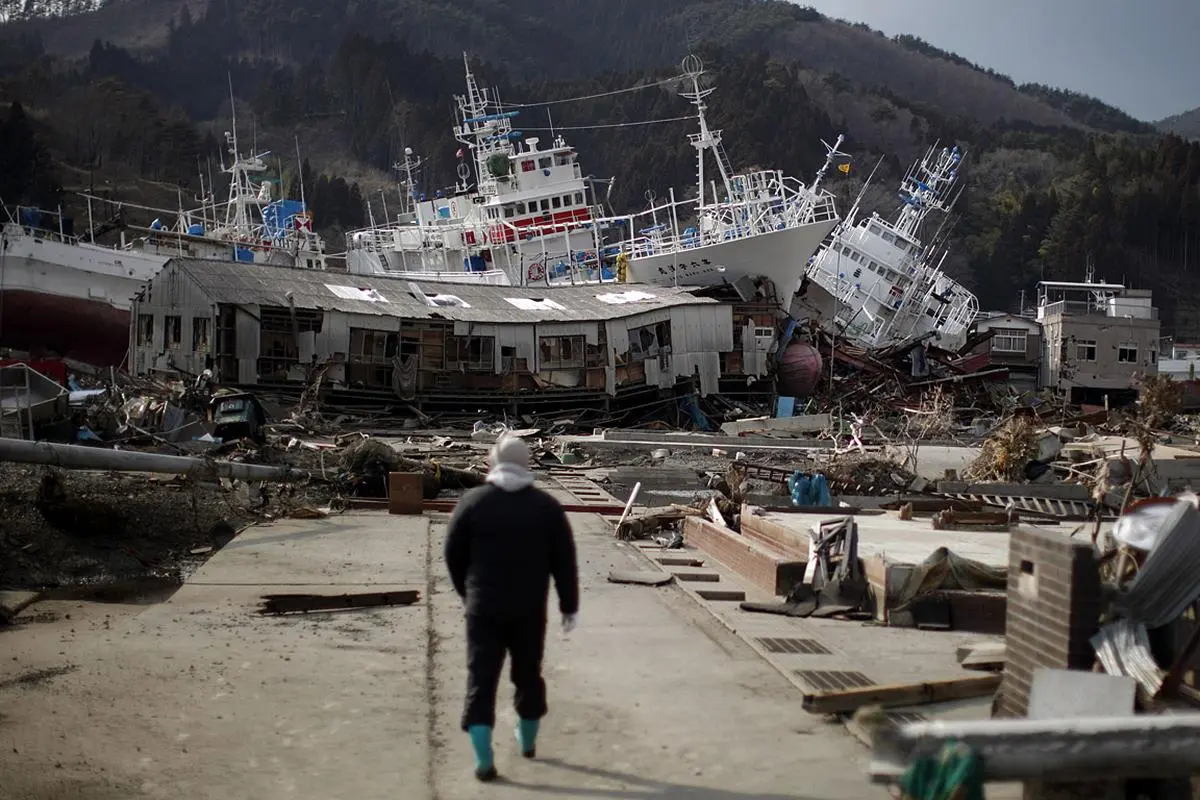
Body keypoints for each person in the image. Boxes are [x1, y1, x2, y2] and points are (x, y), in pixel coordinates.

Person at [444, 434, 579, 782]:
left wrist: (467, 592)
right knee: (528, 675)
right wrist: (569, 605)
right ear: (526, 465)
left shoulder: (472, 502)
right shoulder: (547, 508)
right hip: (529, 611)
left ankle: (483, 759)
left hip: (483, 609)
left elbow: (453, 554)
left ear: (491, 463)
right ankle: (528, 742)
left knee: (481, 678)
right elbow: (564, 561)